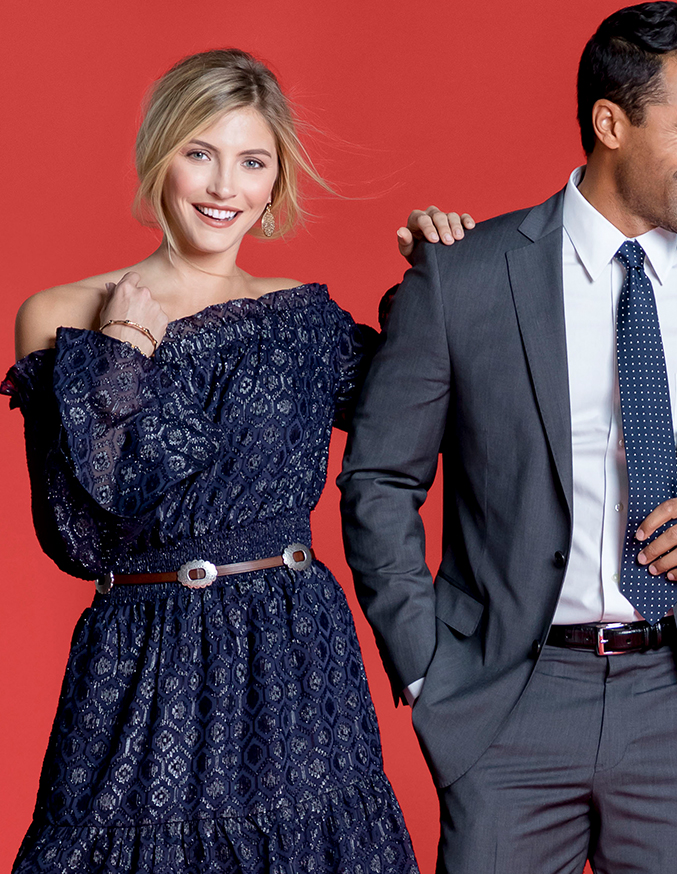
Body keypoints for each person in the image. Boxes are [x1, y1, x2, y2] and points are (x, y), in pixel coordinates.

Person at [336, 4, 677, 872]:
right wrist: (426, 666)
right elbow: (380, 478)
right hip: (508, 700)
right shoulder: (465, 274)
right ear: (611, 123)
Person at [3, 49, 423, 873]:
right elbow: (77, 538)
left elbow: (421, 407)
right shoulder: (62, 314)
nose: (225, 186)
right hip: (142, 656)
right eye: (200, 153)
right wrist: (122, 356)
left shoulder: (302, 321)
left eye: (252, 161)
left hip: (293, 650)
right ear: (160, 155)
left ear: (275, 181)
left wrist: (440, 282)